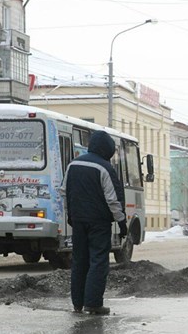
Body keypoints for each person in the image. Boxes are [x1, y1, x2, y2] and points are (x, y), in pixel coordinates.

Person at [62, 130, 127, 315]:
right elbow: (112, 200)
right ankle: (93, 303)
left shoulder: (72, 165)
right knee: (98, 260)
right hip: (99, 223)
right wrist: (121, 223)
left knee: (79, 260)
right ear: (107, 149)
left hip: (78, 221)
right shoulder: (105, 168)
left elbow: (65, 191)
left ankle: (77, 303)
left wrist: (70, 214)